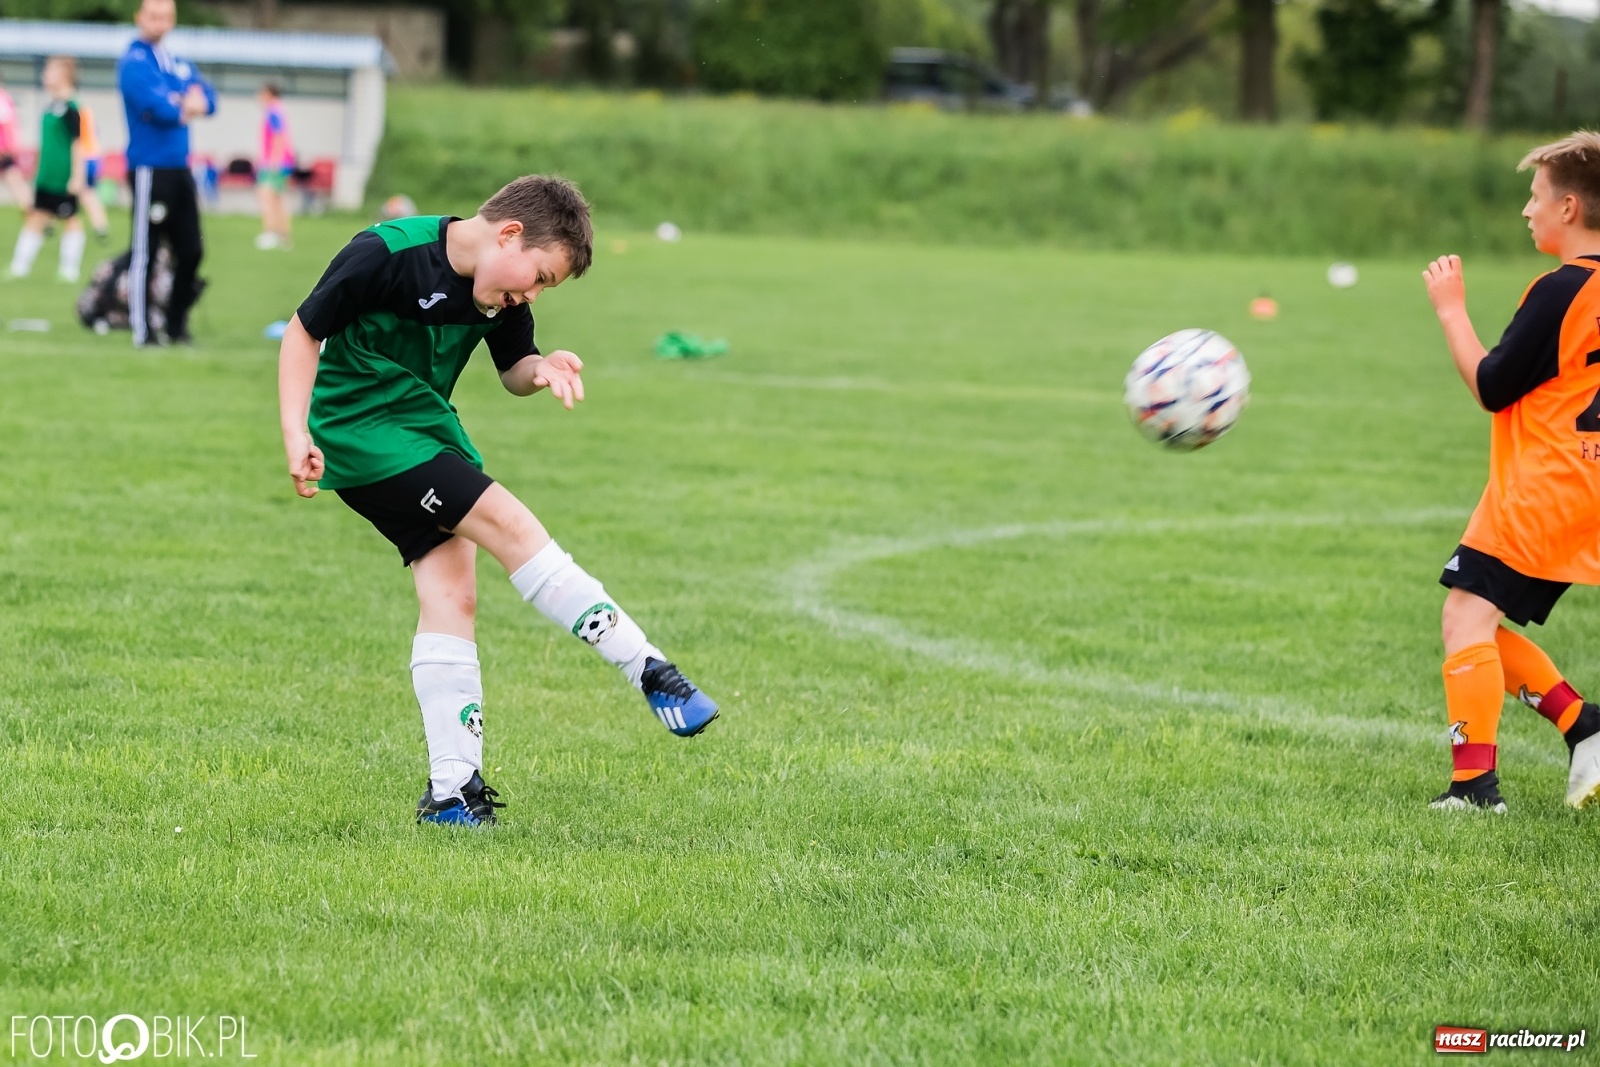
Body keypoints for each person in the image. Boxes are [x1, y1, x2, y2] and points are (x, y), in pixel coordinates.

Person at [276, 176, 719, 827]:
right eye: (537, 277)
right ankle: (650, 668)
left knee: (454, 591)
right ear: (508, 233)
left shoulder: (503, 293)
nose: (530, 295)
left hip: (423, 430)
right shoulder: (386, 253)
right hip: (364, 430)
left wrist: (538, 369)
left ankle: (453, 792)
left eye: (543, 290)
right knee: (509, 524)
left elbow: (514, 367)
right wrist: (296, 432)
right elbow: (301, 334)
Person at [1422, 130, 1600, 814]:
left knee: (1464, 616)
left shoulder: (1562, 291)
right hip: (1584, 489)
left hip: (1540, 489)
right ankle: (1583, 724)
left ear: (1570, 207)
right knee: (1475, 620)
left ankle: (1474, 788)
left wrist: (1450, 310)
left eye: (1536, 197)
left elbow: (1493, 385)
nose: (1528, 210)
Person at [117, 0, 215, 346]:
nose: (159, 23)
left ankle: (176, 325)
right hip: (149, 167)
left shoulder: (179, 62)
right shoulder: (134, 61)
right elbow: (158, 108)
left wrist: (189, 102)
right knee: (146, 249)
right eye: (153, 16)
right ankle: (143, 330)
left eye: (165, 16)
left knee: (191, 249)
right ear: (140, 18)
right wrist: (184, 104)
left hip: (180, 166)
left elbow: (209, 98)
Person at [7, 56, 87, 283]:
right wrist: (36, 171)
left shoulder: (72, 109)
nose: (45, 76)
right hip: (46, 176)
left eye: (49, 72)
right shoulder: (50, 107)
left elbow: (77, 145)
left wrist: (77, 176)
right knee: (36, 217)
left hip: (63, 178)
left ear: (64, 75)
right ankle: (20, 266)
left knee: (70, 219)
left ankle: (69, 269)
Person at [254, 82, 292, 249]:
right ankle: (284, 237)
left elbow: (278, 136)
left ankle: (270, 233)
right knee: (278, 199)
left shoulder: (272, 111)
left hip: (274, 163)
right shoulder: (279, 109)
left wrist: (273, 160)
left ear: (268, 94)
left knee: (266, 196)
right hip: (283, 161)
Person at [77, 102, 110, 242]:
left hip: (82, 156)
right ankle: (100, 225)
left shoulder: (73, 111)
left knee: (74, 191)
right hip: (94, 156)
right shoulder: (88, 111)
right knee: (89, 192)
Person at [0, 72, 31, 211]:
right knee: (16, 183)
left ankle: (34, 214)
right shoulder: (6, 98)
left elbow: (6, 125)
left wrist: (7, 148)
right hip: (7, 149)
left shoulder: (1, 98)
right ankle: (34, 213)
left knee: (16, 184)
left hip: (3, 149)